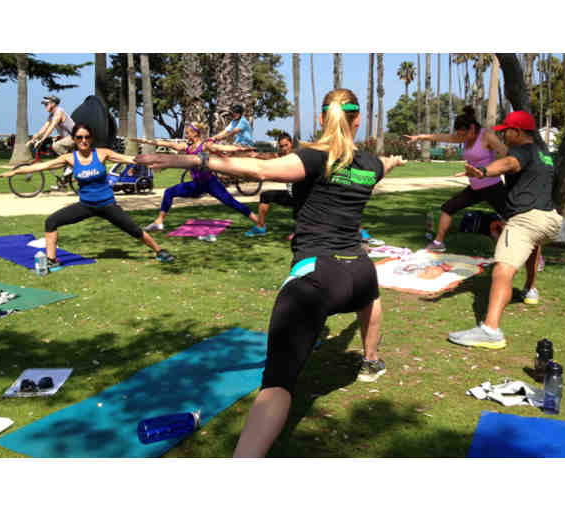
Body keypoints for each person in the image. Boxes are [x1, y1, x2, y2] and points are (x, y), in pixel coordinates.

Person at [136, 88, 406, 457]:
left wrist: (187, 160)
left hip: (318, 275)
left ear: (321, 118)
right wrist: (395, 160)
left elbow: (260, 170)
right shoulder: (370, 165)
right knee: (371, 298)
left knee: (277, 383)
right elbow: (384, 164)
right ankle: (371, 361)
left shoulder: (313, 158)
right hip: (358, 271)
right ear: (357, 119)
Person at [447, 111, 562, 350]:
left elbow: (508, 163)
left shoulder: (521, 151)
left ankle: (490, 331)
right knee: (532, 243)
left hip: (526, 219)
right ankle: (530, 289)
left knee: (502, 270)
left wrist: (483, 171)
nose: (503, 136)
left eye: (506, 131)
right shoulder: (543, 154)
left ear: (518, 132)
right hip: (551, 220)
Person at [0, 123, 175, 268]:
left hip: (107, 205)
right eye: (79, 137)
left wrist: (157, 161)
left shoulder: (102, 154)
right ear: (74, 139)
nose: (83, 140)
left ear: (91, 138)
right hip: (86, 206)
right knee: (51, 222)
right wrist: (14, 172)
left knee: (134, 230)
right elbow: (40, 166)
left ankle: (159, 251)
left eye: (87, 137)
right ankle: (51, 260)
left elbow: (130, 159)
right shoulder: (69, 158)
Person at [404, 105, 508, 253]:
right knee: (447, 208)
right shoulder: (463, 136)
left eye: (463, 135)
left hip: (492, 186)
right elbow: (440, 137)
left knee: (513, 218)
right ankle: (438, 243)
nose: (461, 138)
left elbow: (507, 155)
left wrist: (491, 170)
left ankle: (531, 254)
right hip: (475, 188)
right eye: (459, 135)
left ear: (472, 128)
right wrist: (419, 137)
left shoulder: (487, 136)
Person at [135, 122, 263, 241]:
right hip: (196, 185)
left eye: (188, 133)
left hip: (210, 184)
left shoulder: (205, 145)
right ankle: (159, 222)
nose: (186, 135)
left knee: (232, 203)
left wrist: (240, 149)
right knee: (169, 192)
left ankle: (259, 223)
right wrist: (146, 141)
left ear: (195, 133)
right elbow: (169, 144)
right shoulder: (187, 147)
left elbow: (222, 147)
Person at [245, 132, 296, 237]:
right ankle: (260, 227)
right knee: (265, 196)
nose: (284, 148)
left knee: (301, 204)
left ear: (291, 144)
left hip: (302, 195)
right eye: (282, 146)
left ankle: (299, 232)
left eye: (286, 145)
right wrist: (257, 155)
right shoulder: (281, 156)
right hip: (290, 195)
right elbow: (271, 156)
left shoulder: (296, 156)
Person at [28, 95, 76, 190]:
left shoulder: (59, 112)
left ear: (53, 104)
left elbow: (51, 127)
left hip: (75, 137)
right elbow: (44, 128)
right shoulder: (51, 115)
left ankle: (72, 164)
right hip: (68, 139)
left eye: (46, 104)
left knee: (56, 145)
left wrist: (42, 140)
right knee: (64, 161)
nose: (45, 106)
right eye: (44, 104)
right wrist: (33, 138)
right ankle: (62, 185)